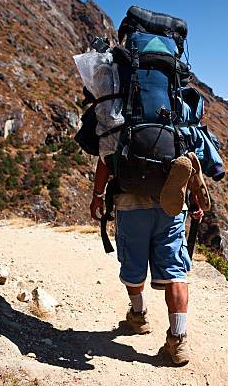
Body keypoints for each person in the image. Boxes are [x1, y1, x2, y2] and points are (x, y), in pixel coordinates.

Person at [89, 155, 205, 365]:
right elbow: (194, 160)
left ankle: (139, 315)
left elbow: (105, 159)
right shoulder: (180, 122)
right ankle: (178, 340)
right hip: (172, 205)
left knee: (133, 264)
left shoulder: (122, 121)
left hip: (130, 202)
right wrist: (195, 193)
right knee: (175, 271)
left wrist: (98, 195)